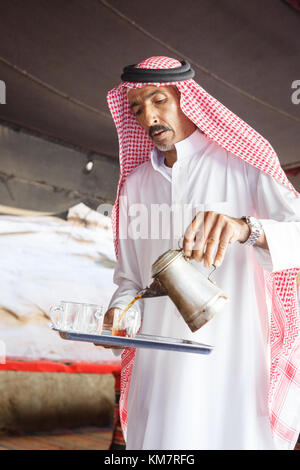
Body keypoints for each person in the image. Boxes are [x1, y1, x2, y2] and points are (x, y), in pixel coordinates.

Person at [102, 56, 300, 450]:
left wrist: (246, 228)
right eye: (137, 108)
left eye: (159, 100)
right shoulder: (136, 186)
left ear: (187, 99)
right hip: (158, 373)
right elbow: (129, 279)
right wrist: (118, 315)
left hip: (233, 365)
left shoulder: (243, 162)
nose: (148, 117)